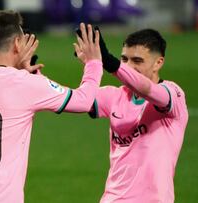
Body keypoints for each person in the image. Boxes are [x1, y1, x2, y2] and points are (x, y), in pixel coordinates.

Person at [0, 10, 103, 203]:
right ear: (17, 44)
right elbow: (84, 101)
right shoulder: (24, 83)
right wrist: (94, 63)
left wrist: (23, 73)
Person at [75, 28, 189, 202]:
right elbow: (75, 100)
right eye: (124, 59)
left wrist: (110, 63)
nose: (128, 66)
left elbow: (147, 89)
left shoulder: (172, 94)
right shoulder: (115, 96)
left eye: (137, 60)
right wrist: (92, 66)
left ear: (158, 63)